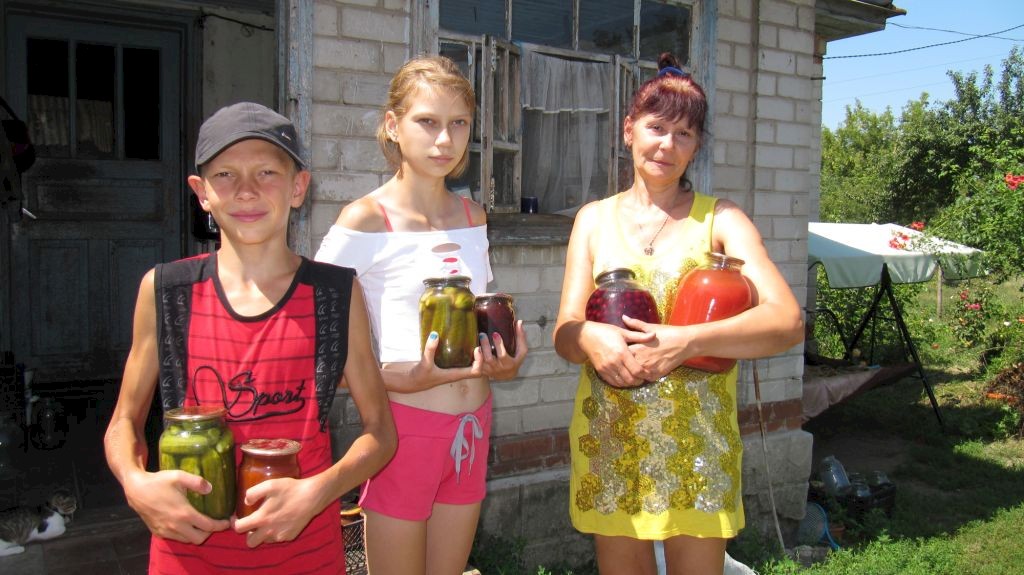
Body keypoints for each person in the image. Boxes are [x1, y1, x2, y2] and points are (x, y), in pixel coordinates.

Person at [104, 101, 397, 575]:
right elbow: (123, 423)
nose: (246, 190)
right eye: (225, 175)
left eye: (267, 173)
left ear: (298, 187)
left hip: (306, 555)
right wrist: (135, 484)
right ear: (201, 192)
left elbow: (381, 434)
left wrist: (318, 490)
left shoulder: (336, 295)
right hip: (187, 555)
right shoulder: (166, 292)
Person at [553, 53, 804, 575]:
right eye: (656, 127)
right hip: (611, 441)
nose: (667, 145)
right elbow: (565, 332)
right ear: (629, 130)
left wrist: (687, 341)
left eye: (684, 134)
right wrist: (589, 337)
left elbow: (786, 321)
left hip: (699, 446)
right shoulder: (593, 221)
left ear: (697, 146)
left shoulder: (722, 220)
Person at [314, 55, 528, 575]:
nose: (445, 140)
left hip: (473, 426)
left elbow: (474, 326)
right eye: (427, 122)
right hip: (403, 433)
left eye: (459, 124)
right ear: (393, 125)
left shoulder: (472, 215)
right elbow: (316, 346)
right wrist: (400, 379)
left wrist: (503, 361)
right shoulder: (365, 219)